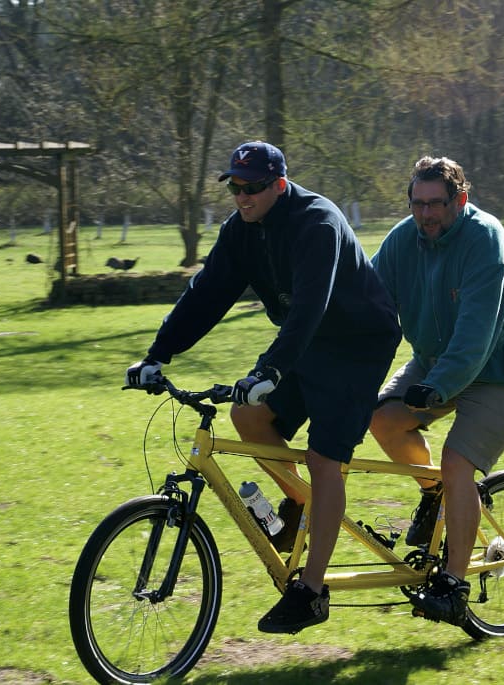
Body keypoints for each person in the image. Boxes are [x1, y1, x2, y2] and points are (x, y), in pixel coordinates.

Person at [126, 141, 401, 634]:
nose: (242, 197)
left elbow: (310, 305)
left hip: (358, 344)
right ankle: (299, 503)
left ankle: (312, 592)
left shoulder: (316, 222)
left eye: (252, 188)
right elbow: (206, 295)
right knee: (248, 417)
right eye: (234, 187)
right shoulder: (241, 231)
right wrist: (157, 354)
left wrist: (271, 369)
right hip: (305, 340)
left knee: (323, 459)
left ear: (278, 184)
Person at [369, 156, 504, 626]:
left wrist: (437, 388)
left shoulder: (486, 240)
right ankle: (435, 496)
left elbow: (476, 335)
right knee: (384, 420)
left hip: (498, 370)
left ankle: (453, 585)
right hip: (434, 362)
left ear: (460, 200)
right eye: (416, 204)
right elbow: (365, 301)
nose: (425, 214)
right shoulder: (404, 239)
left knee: (456, 462)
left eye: (435, 204)